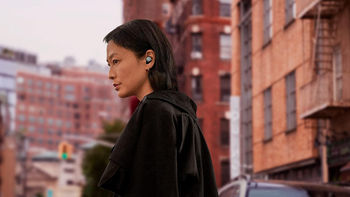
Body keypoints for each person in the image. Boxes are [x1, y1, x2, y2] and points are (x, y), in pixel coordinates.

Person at [98, 19, 219, 197]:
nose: (110, 74)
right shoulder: (180, 112)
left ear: (148, 59)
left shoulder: (155, 111)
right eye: (109, 65)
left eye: (116, 61)